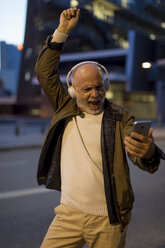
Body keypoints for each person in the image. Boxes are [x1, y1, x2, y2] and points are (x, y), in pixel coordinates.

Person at [35, 8, 165, 248]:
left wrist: (148, 153)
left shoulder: (120, 116)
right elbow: (44, 72)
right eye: (86, 89)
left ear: (105, 85)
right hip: (68, 215)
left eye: (99, 87)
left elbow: (138, 154)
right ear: (74, 91)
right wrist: (62, 31)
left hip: (110, 218)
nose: (94, 94)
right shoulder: (65, 107)